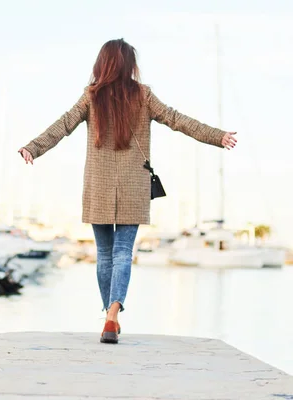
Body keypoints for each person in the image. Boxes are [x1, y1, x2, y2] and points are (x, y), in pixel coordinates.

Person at [18, 38, 237, 344]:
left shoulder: (91, 97)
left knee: (105, 254)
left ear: (102, 64)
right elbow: (177, 120)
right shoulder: (144, 95)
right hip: (134, 185)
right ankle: (112, 316)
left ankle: (109, 315)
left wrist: (33, 147)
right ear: (129, 65)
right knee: (123, 253)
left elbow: (63, 125)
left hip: (99, 184)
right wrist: (218, 136)